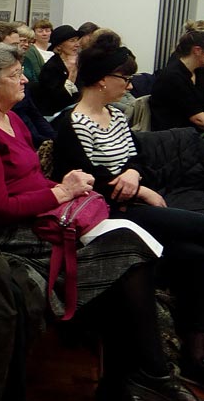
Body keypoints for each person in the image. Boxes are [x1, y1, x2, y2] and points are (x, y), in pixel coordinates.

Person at [0, 41, 195, 401]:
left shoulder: (10, 118)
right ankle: (146, 376)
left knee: (131, 253)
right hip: (0, 234)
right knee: (128, 258)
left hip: (36, 218)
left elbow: (30, 181)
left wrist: (67, 191)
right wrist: (62, 193)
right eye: (15, 76)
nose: (25, 81)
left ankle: (135, 377)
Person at [54, 30, 204, 383]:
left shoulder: (117, 117)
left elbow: (137, 161)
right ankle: (160, 371)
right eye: (125, 77)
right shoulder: (71, 125)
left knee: (197, 254)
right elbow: (89, 181)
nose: (131, 85)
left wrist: (135, 178)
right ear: (103, 80)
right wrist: (140, 189)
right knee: (199, 227)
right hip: (108, 216)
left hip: (131, 206)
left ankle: (195, 353)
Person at [150, 30, 204, 130]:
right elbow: (198, 119)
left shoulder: (198, 72)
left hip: (190, 133)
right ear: (197, 51)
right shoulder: (173, 77)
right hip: (174, 137)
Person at [32, 24, 82, 116]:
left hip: (76, 111)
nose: (77, 44)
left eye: (77, 40)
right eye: (72, 41)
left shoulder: (79, 63)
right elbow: (56, 98)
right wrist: (71, 76)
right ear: (59, 46)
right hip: (55, 115)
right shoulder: (52, 67)